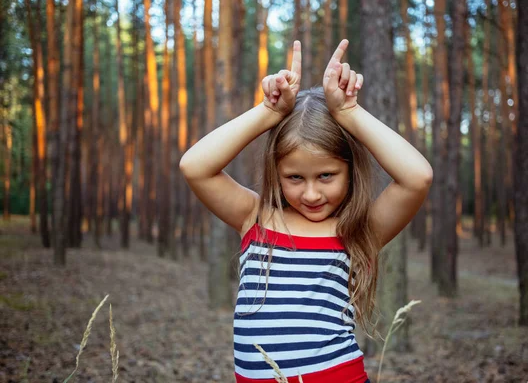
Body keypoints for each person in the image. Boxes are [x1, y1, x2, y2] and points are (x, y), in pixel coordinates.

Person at [180, 39, 433, 383]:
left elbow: (417, 178)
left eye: (326, 175)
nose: (311, 193)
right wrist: (268, 113)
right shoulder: (255, 217)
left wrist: (349, 113)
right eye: (295, 177)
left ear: (349, 171)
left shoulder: (357, 229)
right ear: (276, 173)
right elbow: (194, 166)